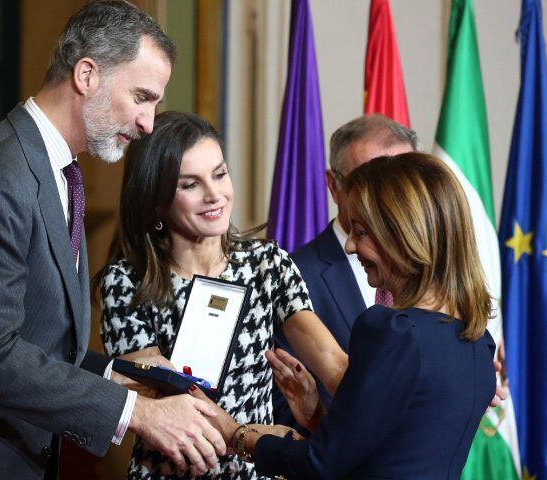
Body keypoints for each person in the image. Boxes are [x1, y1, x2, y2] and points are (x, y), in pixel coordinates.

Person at [0, 2, 227, 478]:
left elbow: (33, 337)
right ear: (87, 75)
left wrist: (117, 373)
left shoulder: (59, 174)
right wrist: (136, 413)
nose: (147, 123)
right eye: (141, 97)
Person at [98, 111, 348, 478]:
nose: (214, 195)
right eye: (190, 185)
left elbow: (333, 363)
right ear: (155, 200)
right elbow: (166, 404)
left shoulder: (268, 264)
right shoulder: (127, 281)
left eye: (219, 174)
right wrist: (249, 439)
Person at [226, 152, 497, 479]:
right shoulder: (479, 342)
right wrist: (319, 419)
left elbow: (319, 463)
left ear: (401, 234)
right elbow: (393, 449)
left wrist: (238, 435)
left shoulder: (396, 331)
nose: (352, 247)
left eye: (360, 232)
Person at [273, 114, 416, 426]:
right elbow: (285, 406)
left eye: (401, 182)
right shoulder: (293, 276)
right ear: (334, 185)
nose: (389, 198)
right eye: (370, 181)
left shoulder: (434, 269)